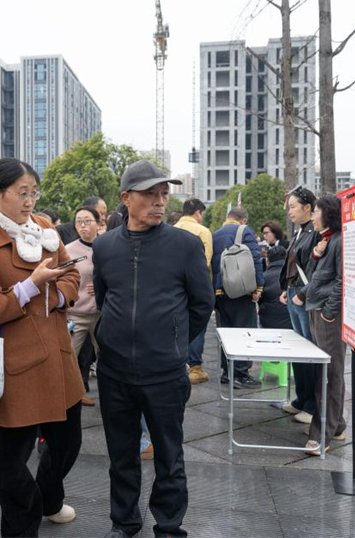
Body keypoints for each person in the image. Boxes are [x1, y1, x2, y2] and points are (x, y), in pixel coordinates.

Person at [0, 158, 83, 537]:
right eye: (21, 193)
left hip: (59, 356)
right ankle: (21, 524)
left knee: (68, 442)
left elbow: (73, 272)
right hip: (16, 363)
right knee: (14, 456)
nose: (30, 201)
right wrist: (30, 286)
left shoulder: (44, 229)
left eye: (34, 192)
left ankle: (48, 496)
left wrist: (61, 297)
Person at [93, 160, 214, 538]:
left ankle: (168, 524)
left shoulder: (185, 245)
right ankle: (125, 522)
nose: (160, 202)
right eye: (150, 194)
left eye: (164, 194)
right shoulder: (104, 246)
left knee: (169, 454)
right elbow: (103, 297)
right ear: (126, 198)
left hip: (165, 372)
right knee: (121, 455)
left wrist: (173, 342)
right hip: (114, 372)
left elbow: (202, 303)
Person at [303, 195, 347, 455]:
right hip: (317, 311)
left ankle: (322, 434)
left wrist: (329, 313)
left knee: (330, 375)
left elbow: (343, 280)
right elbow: (316, 275)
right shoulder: (326, 240)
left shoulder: (340, 241)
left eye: (316, 211)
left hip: (327, 316)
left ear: (328, 213)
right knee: (326, 372)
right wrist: (317, 254)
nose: (313, 216)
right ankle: (337, 425)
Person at [278, 186, 321, 425]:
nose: (290, 212)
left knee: (309, 351)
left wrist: (303, 294)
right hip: (293, 293)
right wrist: (286, 288)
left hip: (304, 296)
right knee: (298, 350)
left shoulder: (314, 232)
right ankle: (301, 398)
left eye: (293, 207)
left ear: (308, 208)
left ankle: (312, 404)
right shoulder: (299, 232)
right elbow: (293, 264)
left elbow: (315, 270)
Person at [211, 206, 265, 388]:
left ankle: (227, 372)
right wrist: (258, 287)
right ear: (243, 221)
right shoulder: (245, 231)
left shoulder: (214, 234)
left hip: (220, 292)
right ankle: (241, 374)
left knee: (226, 333)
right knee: (244, 331)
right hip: (241, 291)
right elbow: (255, 259)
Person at [173, 198, 213, 384]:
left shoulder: (172, 229)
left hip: (173, 286)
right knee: (197, 324)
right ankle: (195, 367)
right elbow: (204, 262)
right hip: (194, 286)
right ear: (198, 213)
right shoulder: (202, 231)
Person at [65, 205, 102, 407]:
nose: (83, 225)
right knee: (69, 356)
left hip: (100, 313)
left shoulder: (106, 247)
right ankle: (75, 394)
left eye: (87, 221)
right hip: (75, 314)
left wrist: (101, 286)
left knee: (106, 356)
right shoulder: (68, 250)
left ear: (98, 223)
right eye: (79, 221)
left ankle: (110, 394)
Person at [258, 246, 292, 329]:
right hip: (291, 320)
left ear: (267, 261)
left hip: (268, 321)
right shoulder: (292, 276)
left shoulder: (263, 278)